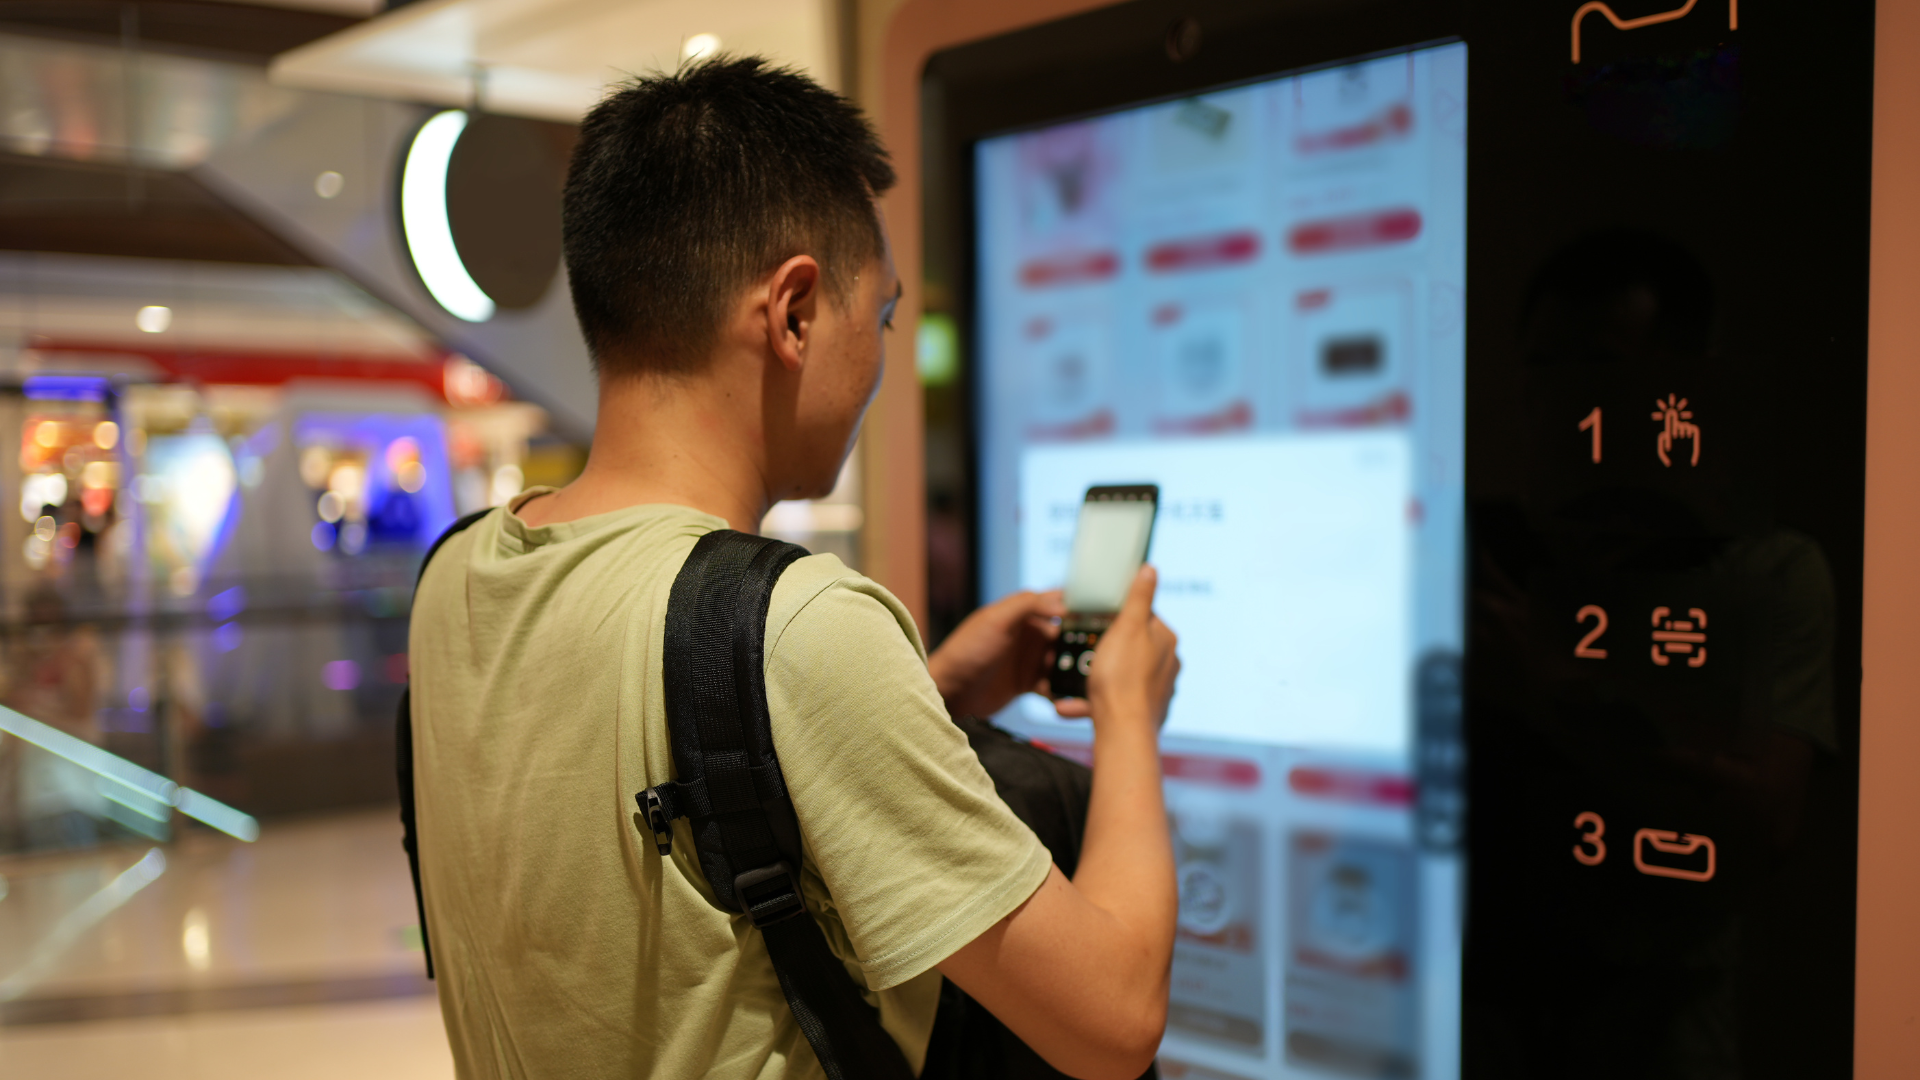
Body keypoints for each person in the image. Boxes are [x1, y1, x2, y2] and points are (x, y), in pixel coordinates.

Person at [408, 57, 1182, 1080]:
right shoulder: (800, 624)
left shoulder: (458, 574)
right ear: (798, 312)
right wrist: (1126, 715)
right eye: (886, 315)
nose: (882, 355)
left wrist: (928, 696)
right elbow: (1113, 1019)